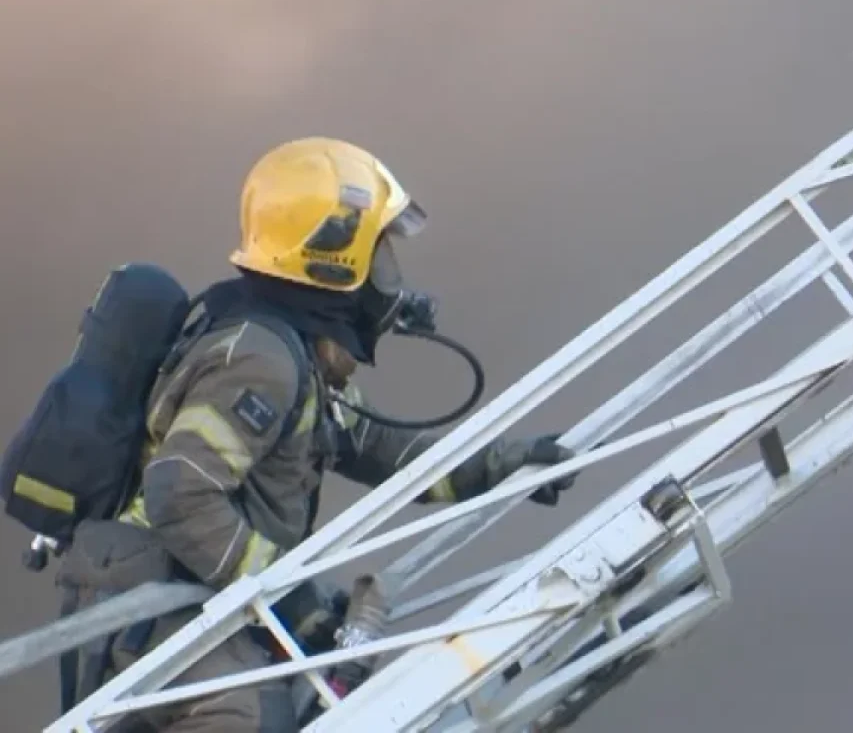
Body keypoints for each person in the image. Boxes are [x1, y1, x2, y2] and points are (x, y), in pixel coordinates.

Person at [53, 137, 577, 733]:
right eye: (380, 255)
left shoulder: (296, 355)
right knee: (253, 714)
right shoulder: (261, 359)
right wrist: (283, 596)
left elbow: (381, 448)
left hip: (187, 588)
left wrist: (501, 464)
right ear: (334, 256)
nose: (391, 279)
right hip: (151, 595)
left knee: (321, 699)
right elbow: (180, 491)